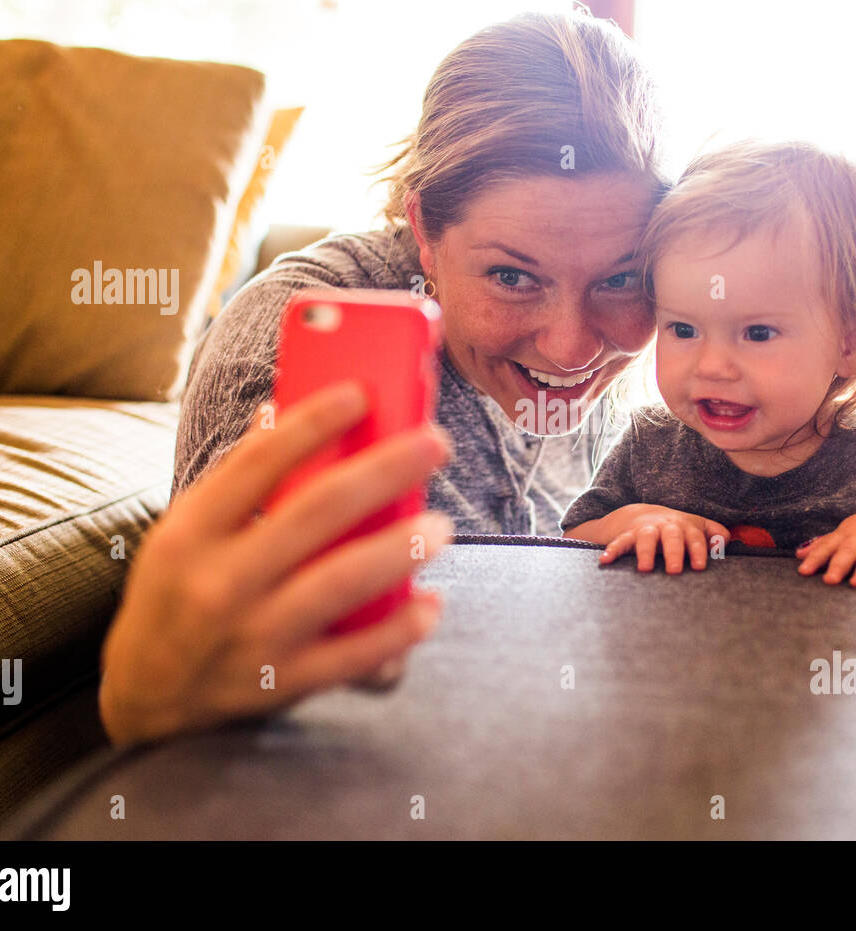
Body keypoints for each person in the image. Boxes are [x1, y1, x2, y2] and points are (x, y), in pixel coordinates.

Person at [98, 10, 670, 745]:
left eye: (620, 278)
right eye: (512, 276)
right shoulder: (297, 340)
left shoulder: (644, 337)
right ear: (425, 230)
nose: (570, 349)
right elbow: (222, 678)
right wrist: (153, 700)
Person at [561, 141, 856, 584]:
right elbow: (572, 539)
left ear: (852, 344)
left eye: (757, 333)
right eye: (683, 330)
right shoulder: (650, 447)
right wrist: (633, 521)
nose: (712, 366)